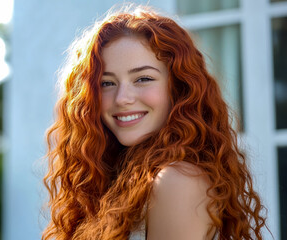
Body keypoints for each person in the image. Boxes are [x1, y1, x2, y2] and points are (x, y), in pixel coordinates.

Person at [42, 4, 268, 240]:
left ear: (178, 87)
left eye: (143, 78)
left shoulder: (177, 180)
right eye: (106, 83)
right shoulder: (121, 175)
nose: (122, 98)